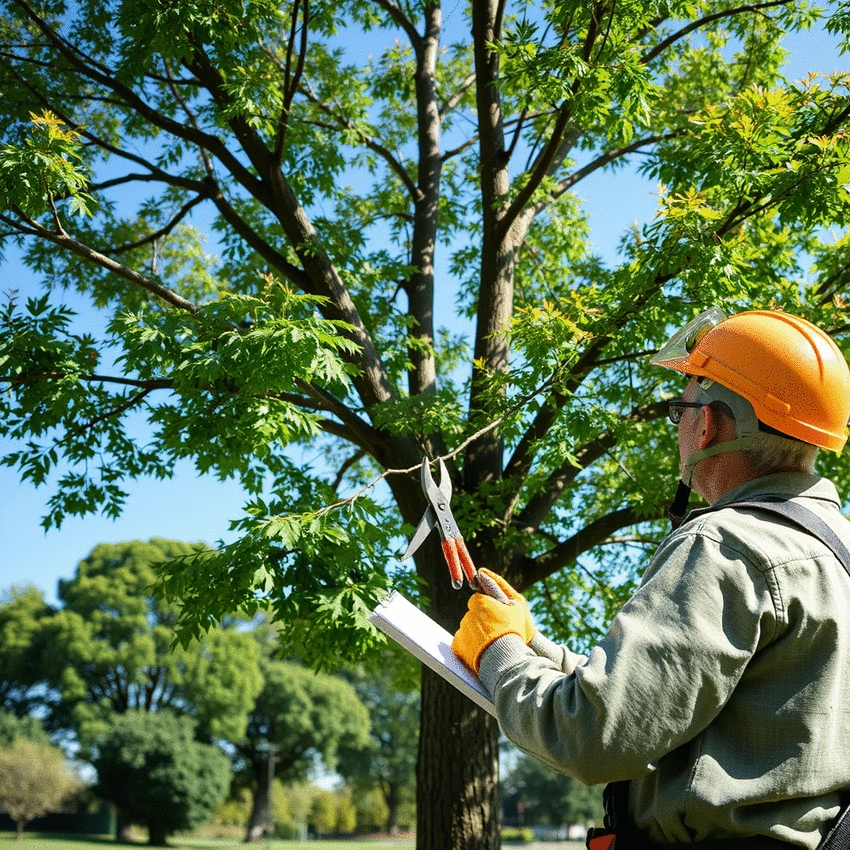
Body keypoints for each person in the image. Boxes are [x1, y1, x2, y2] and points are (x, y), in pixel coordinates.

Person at [452, 308, 850, 849]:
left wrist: (498, 651)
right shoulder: (834, 551)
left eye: (679, 409)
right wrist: (528, 642)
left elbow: (589, 734)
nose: (680, 426)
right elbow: (660, 695)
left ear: (709, 422)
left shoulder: (724, 545)